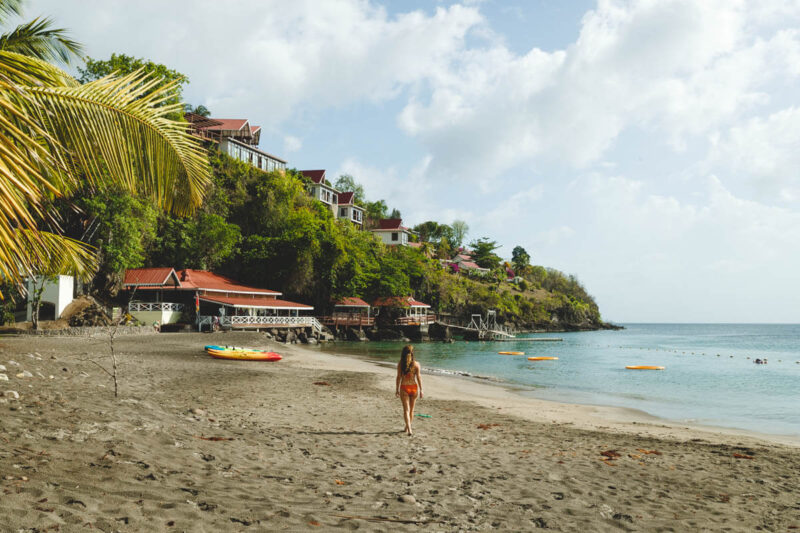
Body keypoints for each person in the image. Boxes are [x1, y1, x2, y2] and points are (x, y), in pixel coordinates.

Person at [396, 344, 423, 435]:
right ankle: (408, 427)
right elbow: (419, 377)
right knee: (411, 410)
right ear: (412, 353)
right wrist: (421, 390)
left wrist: (397, 390)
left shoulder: (401, 364)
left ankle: (409, 429)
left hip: (404, 388)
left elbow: (398, 377)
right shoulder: (416, 364)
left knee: (406, 410)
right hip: (414, 388)